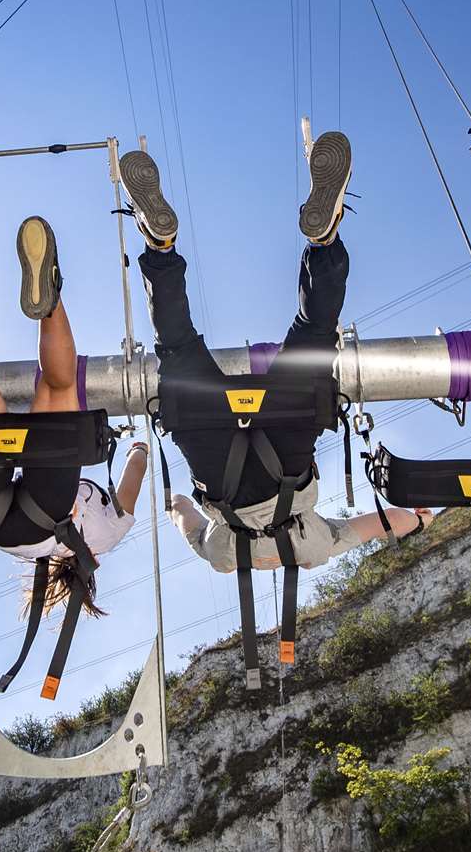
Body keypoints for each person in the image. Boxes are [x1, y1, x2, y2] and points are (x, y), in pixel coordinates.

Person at [118, 133, 429, 577]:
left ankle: (323, 241)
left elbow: (376, 525)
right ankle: (160, 246)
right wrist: (174, 502)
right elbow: (183, 513)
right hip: (213, 457)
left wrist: (416, 519)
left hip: (287, 454)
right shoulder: (222, 559)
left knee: (314, 335)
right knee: (178, 345)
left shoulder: (315, 549)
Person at [0, 215, 149, 619]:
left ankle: (49, 299)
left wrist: (138, 444)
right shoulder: (23, 553)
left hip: (52, 508)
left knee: (58, 387)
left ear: (92, 570)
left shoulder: (107, 539)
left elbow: (133, 475)